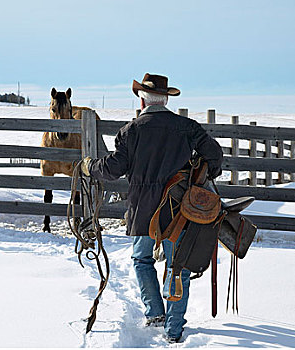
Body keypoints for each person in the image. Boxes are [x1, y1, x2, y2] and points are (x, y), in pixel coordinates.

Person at [81, 73, 223, 343]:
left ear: (142, 100)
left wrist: (90, 166)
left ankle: (155, 312)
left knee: (142, 259)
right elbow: (214, 154)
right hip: (178, 209)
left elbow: (113, 168)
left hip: (143, 209)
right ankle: (173, 328)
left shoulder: (130, 131)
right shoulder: (187, 127)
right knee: (177, 265)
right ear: (166, 99)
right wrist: (203, 175)